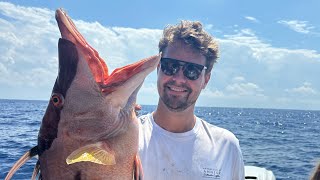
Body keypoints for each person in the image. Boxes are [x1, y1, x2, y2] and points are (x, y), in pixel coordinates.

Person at [138, 20, 245, 179]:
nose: (179, 78)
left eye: (192, 70)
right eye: (170, 66)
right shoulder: (128, 137)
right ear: (159, 68)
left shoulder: (226, 146)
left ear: (205, 80)